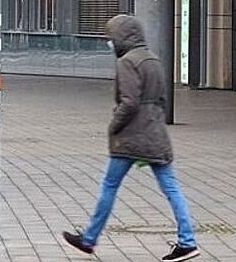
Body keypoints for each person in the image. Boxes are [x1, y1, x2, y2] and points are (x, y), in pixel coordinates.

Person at [63, 14, 199, 261]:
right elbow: (162, 99)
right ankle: (188, 241)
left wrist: (114, 126)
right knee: (172, 188)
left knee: (109, 186)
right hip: (155, 134)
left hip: (131, 137)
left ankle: (89, 239)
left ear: (121, 37)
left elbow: (129, 101)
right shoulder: (153, 59)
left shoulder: (127, 62)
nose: (110, 43)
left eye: (111, 38)